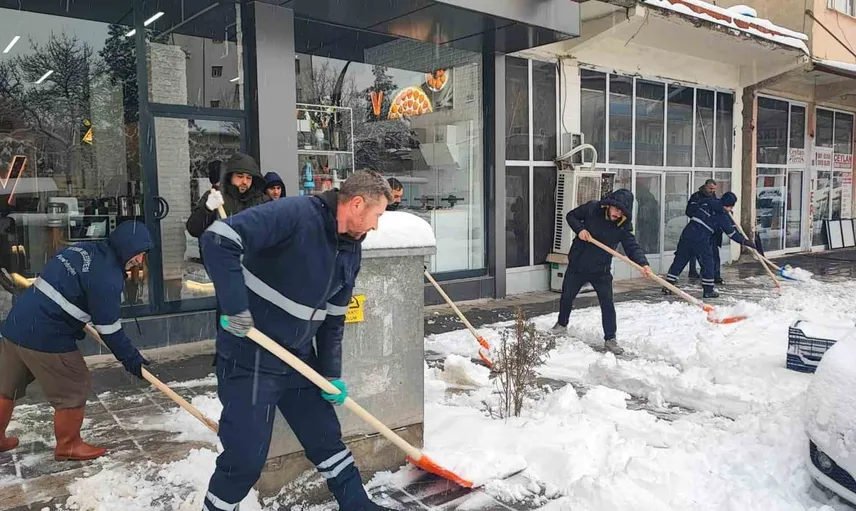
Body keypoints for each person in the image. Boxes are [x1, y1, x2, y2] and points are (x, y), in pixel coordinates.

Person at [200, 171, 394, 511]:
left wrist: (330, 374)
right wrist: (235, 307)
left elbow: (334, 319)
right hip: (252, 358)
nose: (376, 226)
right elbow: (219, 239)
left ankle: (357, 505)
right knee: (244, 459)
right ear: (357, 203)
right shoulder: (296, 215)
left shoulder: (351, 249)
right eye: (377, 215)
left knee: (326, 438)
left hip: (298, 360)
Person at [0, 221, 152, 460]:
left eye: (143, 254)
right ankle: (68, 445)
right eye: (137, 253)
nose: (140, 260)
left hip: (17, 323)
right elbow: (110, 330)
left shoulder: (83, 249)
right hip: (46, 334)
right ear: (124, 247)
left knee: (6, 387)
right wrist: (131, 359)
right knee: (74, 383)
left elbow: (67, 285)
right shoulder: (107, 277)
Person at [550, 189, 652, 355]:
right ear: (609, 205)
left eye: (622, 212)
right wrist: (580, 230)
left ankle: (610, 339)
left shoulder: (623, 225)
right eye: (616, 209)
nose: (617, 214)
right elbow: (571, 216)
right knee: (567, 296)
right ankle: (561, 324)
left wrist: (643, 264)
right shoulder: (593, 208)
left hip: (601, 269)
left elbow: (632, 246)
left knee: (607, 303)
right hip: (578, 264)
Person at [664, 191, 755, 298]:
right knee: (708, 263)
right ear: (729, 206)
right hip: (701, 238)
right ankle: (708, 290)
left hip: (687, 234)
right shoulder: (722, 215)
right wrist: (745, 242)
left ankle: (668, 286)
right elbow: (731, 233)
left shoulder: (708, 202)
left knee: (680, 260)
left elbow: (693, 208)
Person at [186, 152, 269, 238]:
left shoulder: (263, 202)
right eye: (240, 176)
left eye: (248, 178)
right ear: (230, 176)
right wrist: (207, 209)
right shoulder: (215, 197)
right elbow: (194, 230)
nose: (244, 181)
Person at [687, 179, 721, 282]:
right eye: (710, 188)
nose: (712, 191)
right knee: (696, 253)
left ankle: (716, 275)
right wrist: (701, 214)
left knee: (714, 253)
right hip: (699, 230)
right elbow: (689, 211)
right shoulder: (696, 197)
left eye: (714, 189)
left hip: (712, 231)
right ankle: (695, 272)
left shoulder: (714, 198)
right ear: (705, 186)